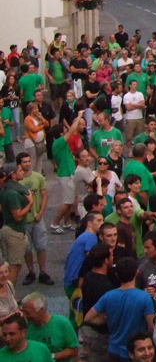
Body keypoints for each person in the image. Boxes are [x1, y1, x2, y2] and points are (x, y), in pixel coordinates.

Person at [84, 258, 155, 362]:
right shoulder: (144, 297)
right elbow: (151, 327)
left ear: (117, 275)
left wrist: (104, 320)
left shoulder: (108, 296)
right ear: (137, 273)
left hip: (114, 351)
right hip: (136, 351)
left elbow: (88, 318)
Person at [17, 153, 53, 287]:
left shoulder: (38, 177)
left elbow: (44, 196)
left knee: (41, 246)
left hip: (37, 218)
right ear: (19, 165)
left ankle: (43, 271)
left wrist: (41, 213)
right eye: (24, 162)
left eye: (28, 161)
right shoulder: (17, 180)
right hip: (23, 220)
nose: (27, 164)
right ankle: (31, 271)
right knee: (27, 249)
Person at [0, 161, 34, 284]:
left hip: (9, 229)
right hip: (14, 231)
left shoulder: (7, 188)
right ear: (13, 175)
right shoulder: (12, 193)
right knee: (14, 267)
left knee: (10, 265)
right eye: (19, 171)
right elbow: (18, 216)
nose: (22, 172)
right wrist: (30, 203)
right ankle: (8, 296)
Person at [21, 293, 79, 362]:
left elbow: (74, 350)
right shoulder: (25, 327)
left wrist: (50, 356)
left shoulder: (62, 323)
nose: (24, 316)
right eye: (23, 312)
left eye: (27, 313)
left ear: (41, 310)